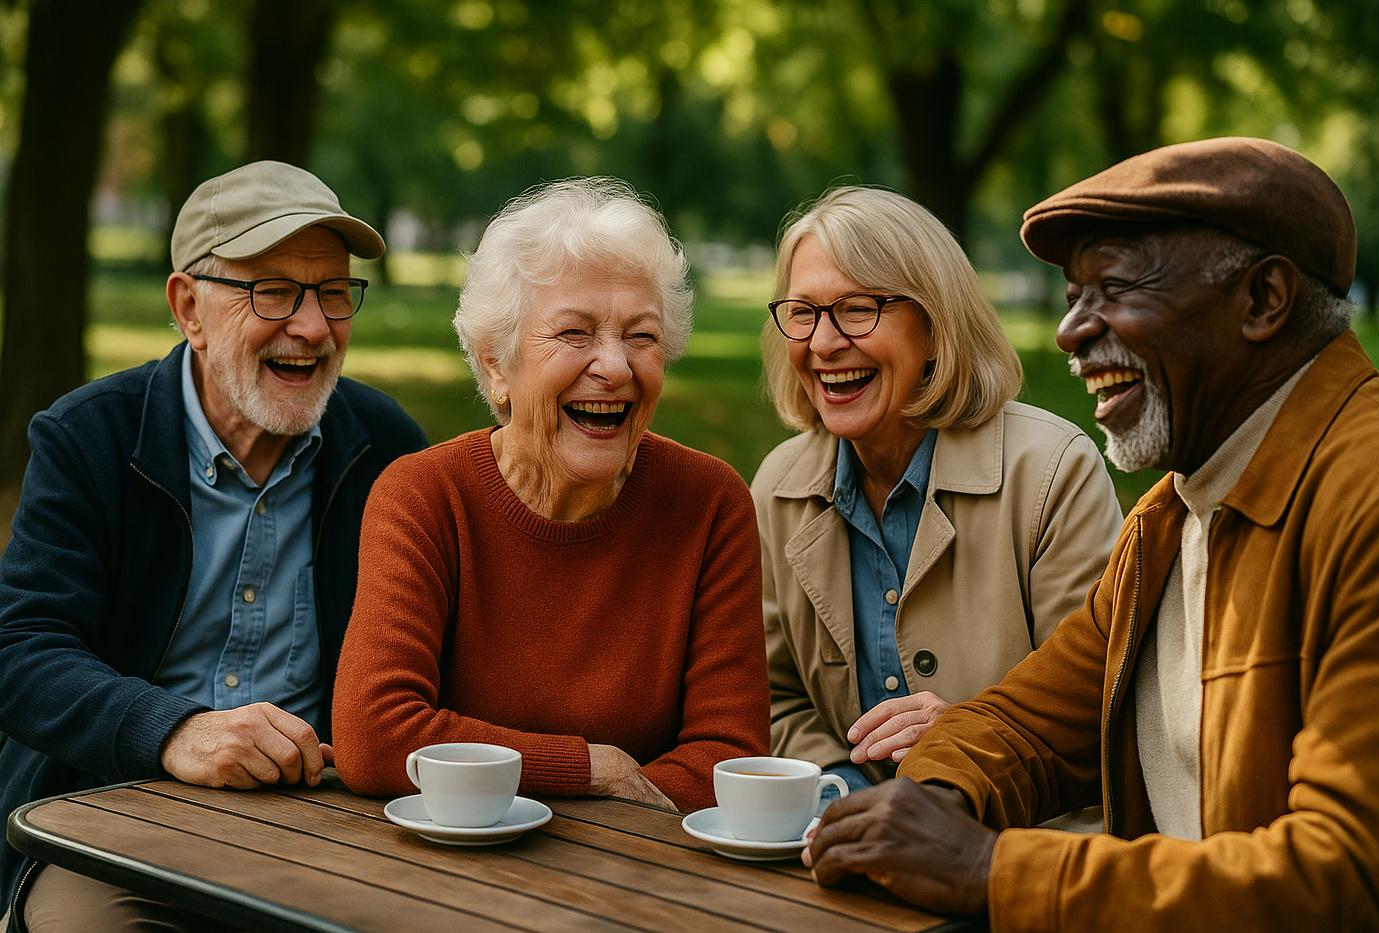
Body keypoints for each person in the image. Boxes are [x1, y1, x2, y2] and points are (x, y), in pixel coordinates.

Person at [803, 137, 1379, 931]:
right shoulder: (1169, 516)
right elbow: (1027, 724)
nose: (1069, 332)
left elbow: (1352, 877)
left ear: (1263, 300)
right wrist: (924, 805)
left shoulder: (1377, 492)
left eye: (1112, 288)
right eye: (1073, 294)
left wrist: (988, 866)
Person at [0, 160, 427, 932]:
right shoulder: (89, 437)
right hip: (114, 814)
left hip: (332, 825)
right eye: (272, 290)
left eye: (334, 291)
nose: (312, 325)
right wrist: (173, 730)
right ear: (189, 307)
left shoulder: (386, 447)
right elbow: (22, 651)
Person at [332, 177, 769, 814]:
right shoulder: (424, 497)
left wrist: (537, 801)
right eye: (576, 334)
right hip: (451, 865)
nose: (616, 367)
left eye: (641, 337)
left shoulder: (710, 505)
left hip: (644, 875)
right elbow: (375, 736)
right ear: (495, 364)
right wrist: (589, 767)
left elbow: (728, 759)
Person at [752, 186, 1122, 804]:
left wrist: (965, 744)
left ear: (935, 322)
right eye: (803, 312)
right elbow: (774, 697)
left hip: (1011, 853)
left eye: (858, 308)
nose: (822, 343)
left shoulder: (1053, 471)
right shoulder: (778, 487)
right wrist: (848, 800)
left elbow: (1097, 711)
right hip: (835, 848)